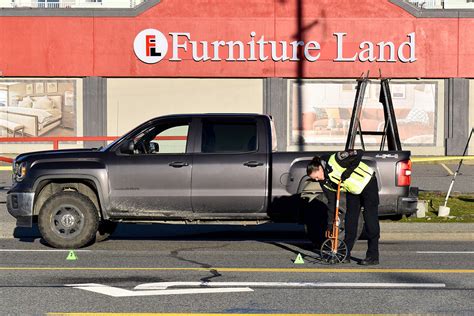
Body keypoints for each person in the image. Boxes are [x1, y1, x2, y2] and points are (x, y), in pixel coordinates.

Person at [306, 150, 380, 265]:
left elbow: (358, 153)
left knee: (370, 220)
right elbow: (332, 202)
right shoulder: (324, 181)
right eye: (314, 179)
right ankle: (345, 254)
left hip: (368, 183)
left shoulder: (335, 159)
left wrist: (348, 172)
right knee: (350, 222)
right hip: (353, 190)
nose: (316, 180)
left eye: (316, 177)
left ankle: (373, 256)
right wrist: (330, 225)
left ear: (320, 168)